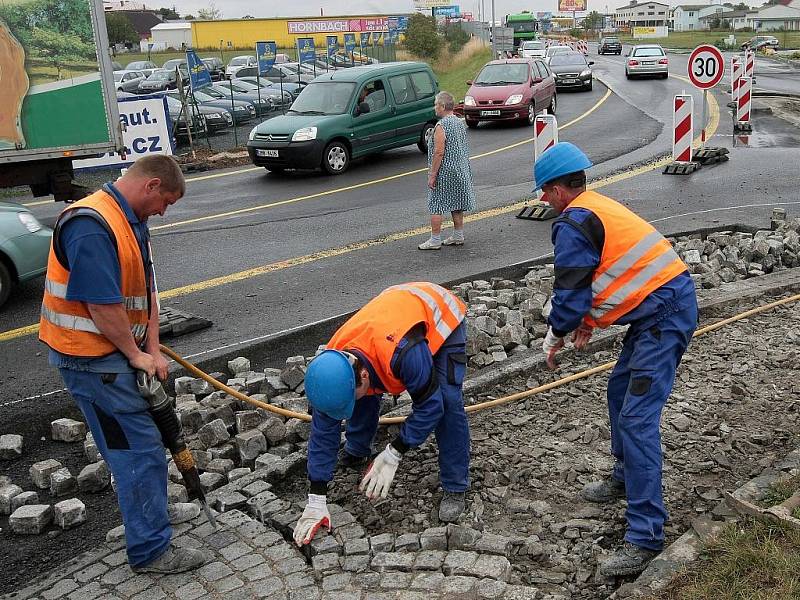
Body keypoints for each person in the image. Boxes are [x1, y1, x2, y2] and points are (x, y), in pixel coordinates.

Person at [533, 142, 698, 577]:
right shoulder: (594, 207)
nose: (543, 202)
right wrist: (587, 319)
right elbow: (604, 275)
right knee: (619, 391)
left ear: (557, 189)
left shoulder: (572, 222)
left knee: (637, 419)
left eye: (543, 193)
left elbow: (569, 294)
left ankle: (645, 536)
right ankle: (625, 477)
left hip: (663, 315)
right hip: (662, 306)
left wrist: (556, 334)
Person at [39, 155, 207, 574]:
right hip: (91, 361)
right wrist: (135, 356)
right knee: (137, 449)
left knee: (145, 441)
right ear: (150, 185)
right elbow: (101, 304)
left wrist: (151, 347)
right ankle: (150, 549)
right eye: (165, 201)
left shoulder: (132, 220)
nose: (164, 211)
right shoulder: (91, 224)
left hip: (115, 354)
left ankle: (155, 513)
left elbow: (146, 290)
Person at [293, 282, 471, 546]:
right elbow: (323, 430)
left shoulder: (405, 353)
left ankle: (456, 485)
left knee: (447, 402)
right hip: (388, 319)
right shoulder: (332, 369)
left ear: (364, 375)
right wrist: (316, 498)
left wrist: (395, 451)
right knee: (362, 396)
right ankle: (357, 449)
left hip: (439, 316)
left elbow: (431, 406)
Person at [418, 91, 476, 250]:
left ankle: (435, 239)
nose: (434, 107)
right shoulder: (459, 122)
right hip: (461, 168)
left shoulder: (441, 126)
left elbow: (439, 152)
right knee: (456, 202)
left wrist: (432, 174)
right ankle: (458, 235)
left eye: (436, 104)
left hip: (446, 170)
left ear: (443, 106)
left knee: (436, 203)